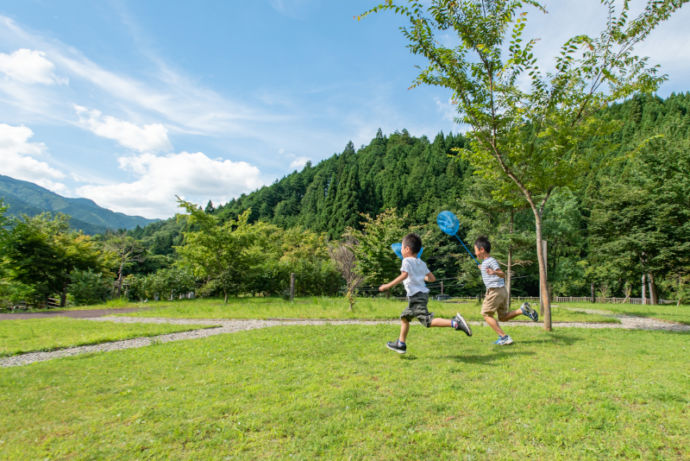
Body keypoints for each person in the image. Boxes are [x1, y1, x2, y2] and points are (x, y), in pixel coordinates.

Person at [379, 233, 472, 354]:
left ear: (407, 249)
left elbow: (404, 275)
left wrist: (388, 285)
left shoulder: (406, 261)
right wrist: (419, 277)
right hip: (420, 295)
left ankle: (455, 323)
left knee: (427, 321)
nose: (401, 250)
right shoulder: (421, 263)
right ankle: (401, 344)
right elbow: (432, 278)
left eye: (401, 248)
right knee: (405, 317)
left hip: (416, 296)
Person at [474, 236, 539, 345]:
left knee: (486, 315)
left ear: (481, 250)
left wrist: (493, 272)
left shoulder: (491, 261)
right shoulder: (486, 262)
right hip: (501, 291)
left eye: (475, 250)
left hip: (495, 291)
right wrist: (483, 268)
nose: (475, 253)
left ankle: (504, 337)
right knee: (503, 317)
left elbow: (502, 274)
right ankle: (522, 310)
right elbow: (488, 269)